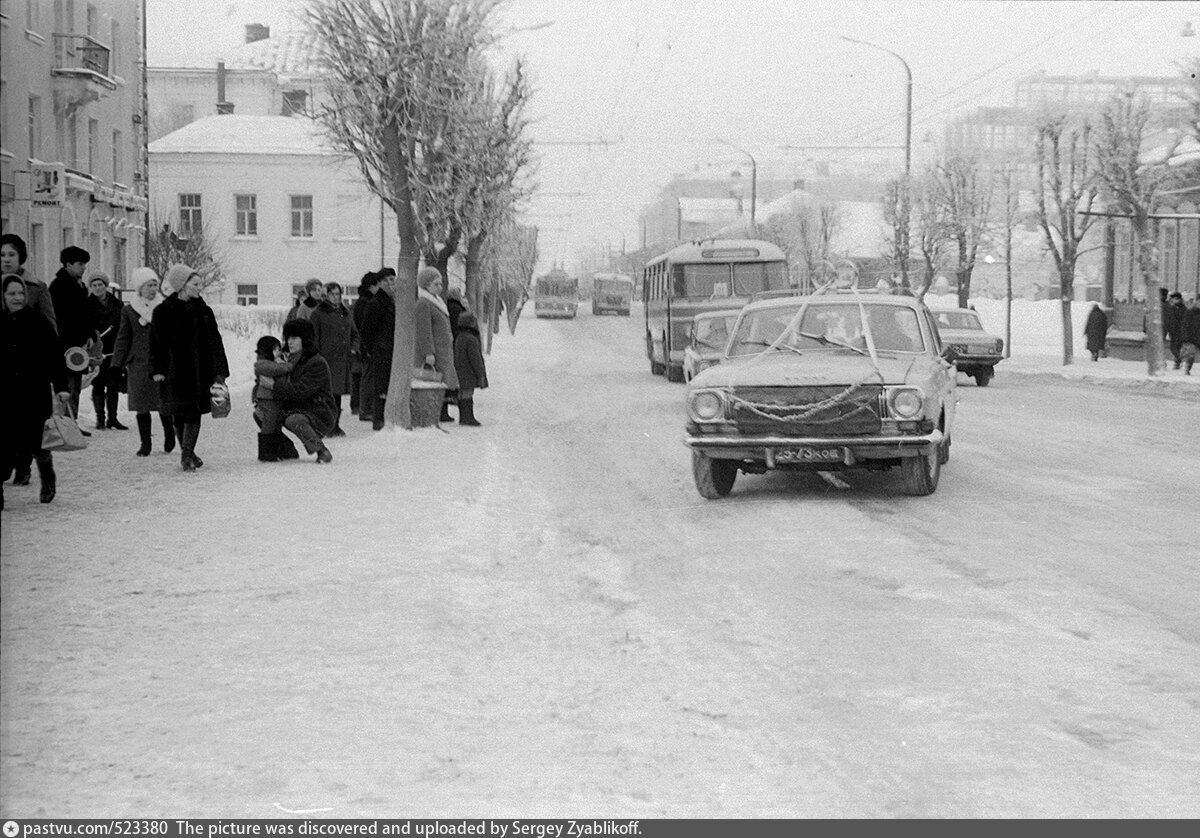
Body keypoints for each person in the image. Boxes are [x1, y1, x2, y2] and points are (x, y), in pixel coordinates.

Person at [150, 263, 230, 472]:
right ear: (182, 285)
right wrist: (157, 369)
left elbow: (215, 341)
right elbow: (156, 343)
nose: (199, 288)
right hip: (174, 370)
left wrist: (220, 369)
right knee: (177, 411)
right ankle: (189, 453)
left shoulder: (204, 310)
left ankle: (186, 455)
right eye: (195, 284)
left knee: (193, 410)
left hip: (199, 370)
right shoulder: (163, 311)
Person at [1, 274, 72, 507]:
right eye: (12, 293)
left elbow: (54, 356)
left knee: (37, 442)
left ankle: (48, 478)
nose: (18, 298)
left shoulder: (37, 321)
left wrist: (61, 387)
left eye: (21, 293)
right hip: (5, 394)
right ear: (3, 296)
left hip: (33, 391)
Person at [112, 268, 176, 456]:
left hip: (161, 362)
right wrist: (116, 364)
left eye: (155, 284)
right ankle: (145, 444)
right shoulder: (129, 310)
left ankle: (169, 434)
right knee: (141, 404)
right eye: (149, 285)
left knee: (163, 402)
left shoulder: (165, 307)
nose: (153, 289)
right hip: (138, 363)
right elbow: (123, 338)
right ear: (140, 287)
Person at [257, 318, 335, 463]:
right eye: (287, 338)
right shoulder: (288, 359)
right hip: (296, 406)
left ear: (305, 339)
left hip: (318, 410)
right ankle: (286, 449)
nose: (289, 342)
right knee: (263, 415)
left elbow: (300, 391)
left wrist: (273, 386)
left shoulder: (316, 362)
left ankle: (322, 451)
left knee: (294, 420)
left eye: (294, 338)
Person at [49, 245, 97, 424]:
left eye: (84, 263)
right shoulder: (59, 286)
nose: (83, 267)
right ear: (67, 264)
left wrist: (89, 334)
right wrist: (79, 338)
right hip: (65, 345)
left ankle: (71, 422)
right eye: (79, 263)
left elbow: (84, 315)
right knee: (67, 386)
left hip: (77, 344)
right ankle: (65, 424)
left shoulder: (78, 285)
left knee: (75, 385)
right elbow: (64, 318)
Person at [310, 280, 358, 436]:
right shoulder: (318, 314)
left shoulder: (345, 312)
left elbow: (354, 334)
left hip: (343, 360)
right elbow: (314, 337)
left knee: (337, 395)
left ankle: (335, 425)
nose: (336, 297)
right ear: (326, 296)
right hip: (326, 360)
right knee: (326, 395)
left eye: (338, 294)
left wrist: (353, 348)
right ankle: (326, 426)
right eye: (332, 294)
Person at [414, 266, 459, 423]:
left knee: (443, 380)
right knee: (436, 380)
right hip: (434, 352)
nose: (440, 287)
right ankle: (437, 412)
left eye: (440, 284)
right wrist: (428, 353)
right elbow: (424, 330)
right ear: (426, 285)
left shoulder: (437, 302)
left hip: (443, 350)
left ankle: (442, 411)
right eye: (436, 284)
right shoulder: (423, 303)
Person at [86, 272, 128, 430]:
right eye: (94, 285)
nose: (98, 288)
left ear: (105, 286)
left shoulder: (116, 304)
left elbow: (123, 323)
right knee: (98, 383)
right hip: (96, 348)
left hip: (114, 347)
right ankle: (100, 419)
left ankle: (113, 418)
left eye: (100, 285)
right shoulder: (87, 304)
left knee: (113, 383)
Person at [251, 335, 300, 462]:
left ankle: (277, 449)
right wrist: (288, 366)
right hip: (267, 398)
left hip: (275, 398)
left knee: (276, 422)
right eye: (276, 349)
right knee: (269, 422)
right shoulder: (262, 364)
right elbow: (275, 369)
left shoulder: (274, 361)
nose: (279, 352)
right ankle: (265, 451)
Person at [359, 268, 396, 431]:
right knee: (381, 386)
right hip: (382, 351)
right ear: (379, 284)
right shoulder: (375, 303)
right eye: (385, 281)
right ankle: (378, 419)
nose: (389, 283)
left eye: (392, 280)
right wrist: (374, 349)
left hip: (392, 351)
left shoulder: (394, 301)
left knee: (389, 385)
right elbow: (367, 331)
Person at [1, 233, 57, 333]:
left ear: (20, 257)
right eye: (2, 255)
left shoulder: (37, 287)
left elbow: (50, 326)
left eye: (11, 255)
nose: (6, 260)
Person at [349, 271, 379, 421]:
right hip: (367, 346)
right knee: (367, 377)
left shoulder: (363, 301)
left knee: (367, 376)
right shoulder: (365, 302)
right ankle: (365, 409)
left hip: (365, 345)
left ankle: (365, 408)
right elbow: (363, 326)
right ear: (371, 286)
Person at [453, 311, 488, 426]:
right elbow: (475, 359)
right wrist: (480, 373)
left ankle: (463, 416)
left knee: (462, 393)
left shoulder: (459, 337)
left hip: (460, 370)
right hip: (469, 372)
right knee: (468, 393)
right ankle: (468, 417)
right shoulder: (471, 339)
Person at [1164, 290, 1185, 370]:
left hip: (1178, 331)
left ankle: (1179, 359)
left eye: (1173, 298)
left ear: (1178, 299)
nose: (1172, 300)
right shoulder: (1174, 307)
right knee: (1176, 347)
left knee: (1173, 347)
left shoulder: (1182, 309)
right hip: (1173, 330)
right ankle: (1177, 363)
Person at [1180, 296, 1200, 376]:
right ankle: (1187, 369)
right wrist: (1185, 337)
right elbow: (1185, 325)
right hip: (1192, 337)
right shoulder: (1190, 312)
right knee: (1191, 355)